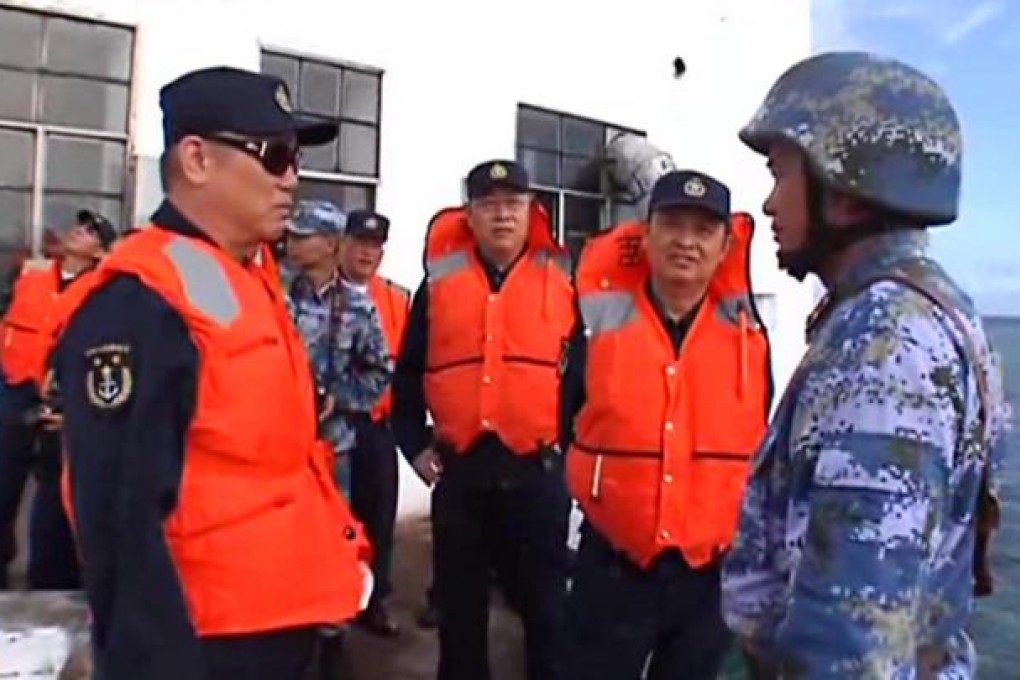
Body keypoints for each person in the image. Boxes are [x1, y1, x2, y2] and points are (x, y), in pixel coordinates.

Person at [50, 66, 371, 680]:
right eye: (275, 157)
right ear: (196, 159)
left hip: (277, 616)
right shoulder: (141, 304)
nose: (292, 180)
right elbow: (118, 517)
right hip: (210, 640)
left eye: (296, 160)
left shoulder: (236, 274)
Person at [720, 51, 1010, 678]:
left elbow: (851, 636)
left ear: (845, 192)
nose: (769, 205)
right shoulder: (935, 307)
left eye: (780, 175)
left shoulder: (886, 343)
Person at [558, 170, 772, 679]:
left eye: (704, 230)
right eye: (672, 224)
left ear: (725, 247)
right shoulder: (598, 325)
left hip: (709, 578)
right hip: (611, 566)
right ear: (646, 235)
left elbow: (761, 437)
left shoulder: (751, 339)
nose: (686, 242)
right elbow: (564, 419)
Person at [392, 160, 575, 680]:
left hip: (537, 474)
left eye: (512, 204)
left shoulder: (563, 281)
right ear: (468, 215)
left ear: (531, 211)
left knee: (545, 613)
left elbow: (587, 379)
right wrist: (415, 446)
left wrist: (575, 452)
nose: (501, 215)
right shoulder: (439, 285)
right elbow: (406, 376)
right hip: (462, 475)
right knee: (460, 615)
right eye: (488, 204)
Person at [0, 210, 115, 589]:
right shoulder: (32, 276)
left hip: (60, 401)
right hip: (14, 390)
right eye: (79, 226)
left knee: (54, 496)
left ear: (100, 251)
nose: (78, 232)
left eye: (90, 231)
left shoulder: (101, 290)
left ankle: (50, 580)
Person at [284, 200, 392, 501]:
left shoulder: (357, 307)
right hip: (275, 441)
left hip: (332, 447)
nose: (292, 245)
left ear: (331, 243)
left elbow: (380, 373)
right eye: (290, 236)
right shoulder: (272, 292)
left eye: (303, 237)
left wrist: (338, 395)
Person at [337, 208, 408, 637]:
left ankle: (375, 601)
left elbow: (408, 364)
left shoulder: (396, 299)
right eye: (359, 244)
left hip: (379, 426)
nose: (367, 253)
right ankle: (332, 605)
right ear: (341, 245)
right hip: (332, 428)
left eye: (375, 246)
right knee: (335, 519)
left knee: (379, 519)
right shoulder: (319, 296)